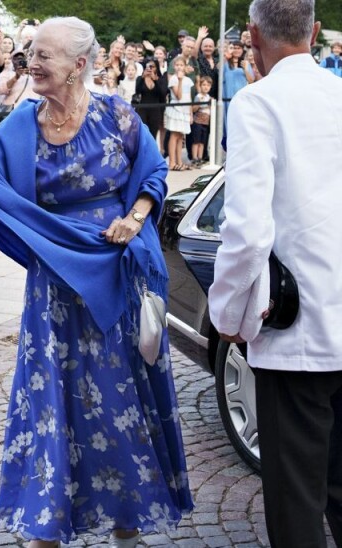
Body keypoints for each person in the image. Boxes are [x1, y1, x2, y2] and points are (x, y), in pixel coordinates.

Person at [0, 16, 194, 547]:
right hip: (54, 292)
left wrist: (137, 215)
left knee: (120, 402)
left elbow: (152, 173)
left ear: (79, 65)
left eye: (44, 56)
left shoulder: (115, 115)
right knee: (52, 405)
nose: (31, 63)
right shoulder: (21, 123)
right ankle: (47, 526)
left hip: (113, 283)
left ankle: (129, 523)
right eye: (30, 53)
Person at [208, 1, 342, 546]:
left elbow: (246, 230)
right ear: (313, 32)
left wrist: (227, 314)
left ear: (253, 35)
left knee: (296, 504)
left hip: (298, 334)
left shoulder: (258, 102)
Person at [164, 56, 193, 170]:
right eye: (177, 65)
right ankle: (172, 162)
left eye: (181, 65)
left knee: (181, 136)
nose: (179, 67)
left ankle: (179, 161)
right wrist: (180, 80)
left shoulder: (189, 80)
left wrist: (190, 114)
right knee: (174, 135)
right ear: (174, 67)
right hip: (176, 109)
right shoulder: (173, 79)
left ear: (185, 66)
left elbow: (189, 98)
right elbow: (178, 96)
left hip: (185, 111)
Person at [134, 59, 167, 148]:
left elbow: (162, 94)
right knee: (143, 133)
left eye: (152, 66)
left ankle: (152, 155)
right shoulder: (140, 79)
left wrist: (155, 80)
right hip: (142, 109)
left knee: (153, 134)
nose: (150, 69)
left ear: (156, 68)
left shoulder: (160, 79)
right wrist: (142, 78)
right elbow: (137, 91)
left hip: (155, 110)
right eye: (148, 66)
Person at [189, 76, 211, 166]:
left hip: (206, 122)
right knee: (196, 141)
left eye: (208, 85)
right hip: (198, 121)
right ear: (200, 86)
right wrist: (199, 104)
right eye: (204, 85)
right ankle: (195, 158)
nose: (206, 87)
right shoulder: (198, 97)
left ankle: (200, 157)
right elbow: (193, 109)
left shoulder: (209, 97)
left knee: (202, 142)